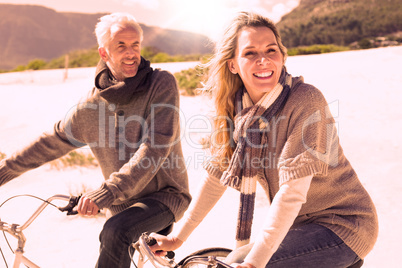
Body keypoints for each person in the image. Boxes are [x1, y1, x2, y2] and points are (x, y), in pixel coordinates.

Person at [149, 11, 378, 268]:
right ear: (233, 64)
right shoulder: (238, 111)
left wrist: (255, 263)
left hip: (345, 225)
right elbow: (217, 177)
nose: (263, 60)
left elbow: (292, 193)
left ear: (282, 56)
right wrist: (177, 238)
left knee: (240, 259)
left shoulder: (306, 101)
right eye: (250, 53)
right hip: (299, 227)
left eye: (271, 50)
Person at [0, 12, 191, 268]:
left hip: (164, 198)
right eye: (121, 46)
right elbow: (49, 144)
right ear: (104, 53)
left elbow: (154, 149)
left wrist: (106, 192)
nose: (131, 52)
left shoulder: (160, 83)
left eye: (135, 44)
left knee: (115, 230)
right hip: (120, 205)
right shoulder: (90, 108)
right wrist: (2, 173)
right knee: (113, 236)